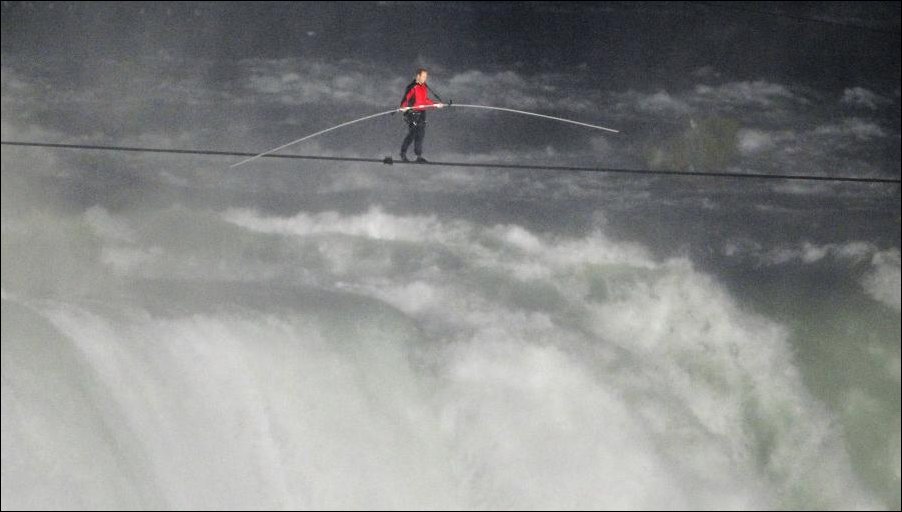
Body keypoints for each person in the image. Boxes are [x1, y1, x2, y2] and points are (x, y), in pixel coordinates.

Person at [399, 68, 443, 163]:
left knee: (420, 134)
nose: (424, 79)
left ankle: (418, 156)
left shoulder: (424, 87)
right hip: (413, 113)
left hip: (422, 113)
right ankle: (403, 154)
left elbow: (425, 100)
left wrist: (435, 105)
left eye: (425, 77)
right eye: (423, 76)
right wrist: (403, 107)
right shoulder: (413, 86)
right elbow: (406, 98)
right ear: (418, 76)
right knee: (413, 133)